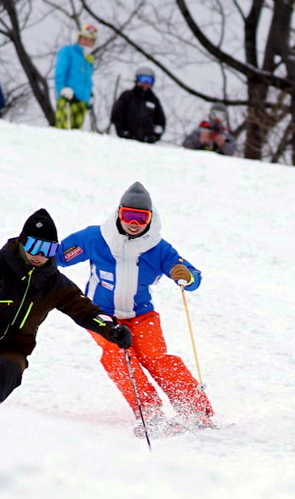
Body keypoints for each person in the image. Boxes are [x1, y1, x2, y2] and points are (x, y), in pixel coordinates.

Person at [56, 182, 215, 434]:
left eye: (141, 218)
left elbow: (193, 277)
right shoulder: (95, 238)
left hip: (141, 314)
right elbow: (57, 256)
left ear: (150, 219)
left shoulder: (158, 248)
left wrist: (186, 275)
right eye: (128, 215)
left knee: (156, 357)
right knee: (117, 355)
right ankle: (149, 411)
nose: (134, 223)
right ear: (119, 213)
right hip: (100, 315)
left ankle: (195, 409)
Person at [0, 209, 131, 403]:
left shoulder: (55, 283)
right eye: (33, 246)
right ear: (23, 242)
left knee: (9, 373)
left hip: (17, 343)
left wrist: (111, 329)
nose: (39, 255)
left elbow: (86, 311)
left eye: (47, 250)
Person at [54, 23, 97, 130]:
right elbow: (60, 72)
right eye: (85, 38)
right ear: (79, 38)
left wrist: (89, 94)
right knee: (64, 128)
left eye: (91, 40)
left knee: (76, 132)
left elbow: (87, 79)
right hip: (68, 97)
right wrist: (62, 88)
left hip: (82, 100)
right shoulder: (68, 51)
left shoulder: (89, 58)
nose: (88, 42)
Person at [110, 66, 165, 142]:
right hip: (126, 140)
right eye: (143, 79)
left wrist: (154, 137)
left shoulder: (154, 101)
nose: (146, 83)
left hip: (146, 143)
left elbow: (160, 122)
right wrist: (122, 132)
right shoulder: (127, 96)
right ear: (137, 80)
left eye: (149, 80)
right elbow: (116, 115)